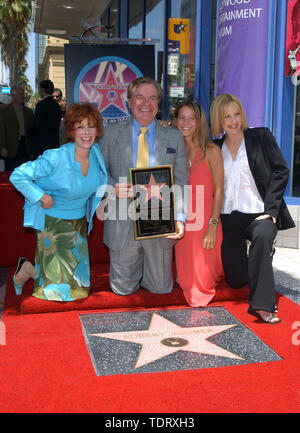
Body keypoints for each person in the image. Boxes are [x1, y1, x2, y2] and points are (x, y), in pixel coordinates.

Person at [210, 93, 295, 324]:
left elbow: (281, 170)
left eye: (237, 114)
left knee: (264, 235)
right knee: (236, 279)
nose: (233, 120)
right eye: (227, 116)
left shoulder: (260, 136)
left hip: (259, 213)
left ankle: (263, 306)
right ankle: (260, 259)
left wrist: (273, 209)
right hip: (229, 218)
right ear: (218, 118)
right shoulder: (214, 147)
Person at [10, 103, 107, 302]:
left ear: (97, 130)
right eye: (80, 127)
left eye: (91, 126)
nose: (86, 132)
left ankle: (29, 268)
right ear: (71, 130)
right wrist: (41, 196)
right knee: (55, 292)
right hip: (52, 224)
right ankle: (26, 271)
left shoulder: (96, 152)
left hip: (79, 224)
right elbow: (17, 175)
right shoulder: (55, 157)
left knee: (79, 289)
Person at [100, 76, 188, 296]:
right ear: (129, 101)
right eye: (140, 97)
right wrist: (112, 187)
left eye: (152, 98)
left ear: (158, 103)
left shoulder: (174, 137)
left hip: (159, 221)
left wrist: (180, 217)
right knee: (122, 291)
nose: (146, 104)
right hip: (122, 221)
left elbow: (181, 182)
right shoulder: (110, 135)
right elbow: (98, 174)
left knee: (161, 289)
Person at [173, 100, 224, 307]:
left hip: (205, 224)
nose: (186, 123)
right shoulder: (173, 152)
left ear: (199, 121)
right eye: (181, 118)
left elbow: (219, 191)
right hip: (183, 224)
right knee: (185, 281)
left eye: (191, 118)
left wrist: (212, 227)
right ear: (175, 121)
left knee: (203, 284)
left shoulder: (211, 150)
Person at [0, 85, 33, 171]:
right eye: (20, 94)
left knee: (25, 172)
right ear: (13, 95)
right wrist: (2, 147)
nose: (22, 96)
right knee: (10, 172)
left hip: (25, 146)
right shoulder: (4, 110)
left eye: (23, 94)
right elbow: (1, 130)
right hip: (11, 147)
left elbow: (32, 130)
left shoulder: (28, 112)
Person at [31, 79, 62, 159]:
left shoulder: (41, 105)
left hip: (41, 145)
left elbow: (36, 125)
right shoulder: (57, 106)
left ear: (42, 89)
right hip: (54, 144)